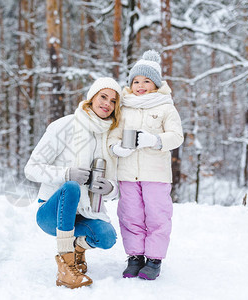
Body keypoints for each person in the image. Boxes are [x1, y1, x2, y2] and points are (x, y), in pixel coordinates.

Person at [25, 77, 122, 289]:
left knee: (107, 237)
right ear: (92, 97)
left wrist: (111, 189)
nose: (107, 104)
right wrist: (67, 173)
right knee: (70, 187)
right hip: (51, 212)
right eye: (103, 97)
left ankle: (79, 248)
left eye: (113, 101)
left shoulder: (110, 137)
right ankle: (66, 265)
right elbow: (31, 168)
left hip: (86, 212)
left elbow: (114, 184)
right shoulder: (64, 126)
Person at [108, 50, 184, 280]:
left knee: (157, 216)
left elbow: (177, 136)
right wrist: (116, 148)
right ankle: (135, 257)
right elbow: (112, 136)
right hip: (128, 173)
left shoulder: (166, 107)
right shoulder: (124, 107)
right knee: (130, 215)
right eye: (136, 81)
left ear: (156, 84)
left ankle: (154, 259)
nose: (140, 85)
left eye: (146, 81)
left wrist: (156, 140)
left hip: (156, 174)